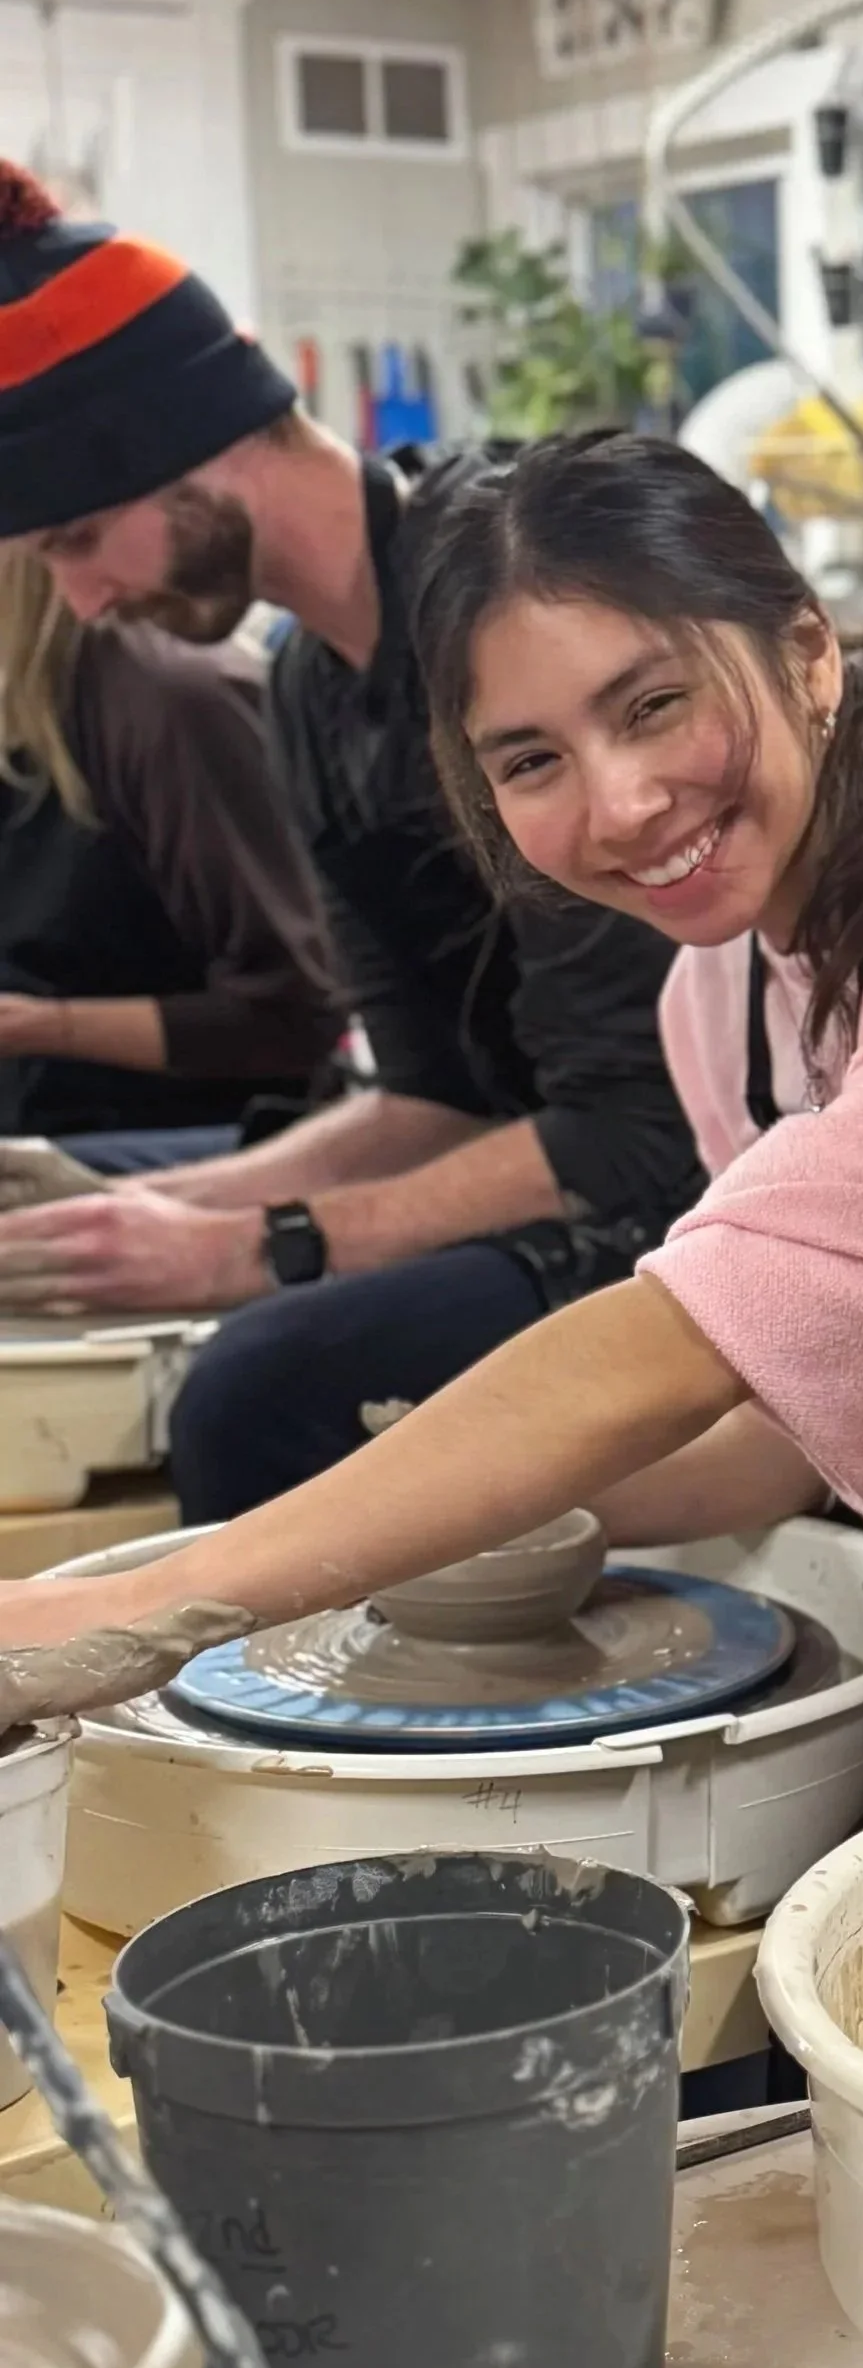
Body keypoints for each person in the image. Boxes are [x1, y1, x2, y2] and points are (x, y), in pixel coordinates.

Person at [0, 428, 863, 1784]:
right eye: (531, 760)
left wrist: (177, 1594)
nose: (618, 806)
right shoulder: (714, 988)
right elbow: (777, 1442)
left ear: (806, 653)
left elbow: (674, 1351)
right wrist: (481, 1529)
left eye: (653, 704)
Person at [0, 162, 700, 1513]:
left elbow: (642, 1131)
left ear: (197, 441)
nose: (79, 604)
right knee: (77, 1241)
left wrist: (252, 1248)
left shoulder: (511, 600)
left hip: (689, 1194)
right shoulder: (311, 690)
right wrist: (151, 1216)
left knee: (255, 1388)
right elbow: (428, 1092)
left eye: (81, 540)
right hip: (554, 1154)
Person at [0, 547, 338, 1171]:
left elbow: (293, 1014)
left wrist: (35, 1026)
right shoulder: (23, 709)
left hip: (201, 1135)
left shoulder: (172, 702)